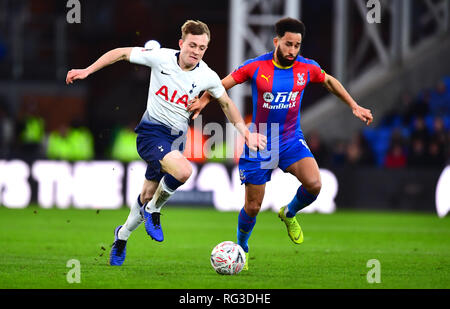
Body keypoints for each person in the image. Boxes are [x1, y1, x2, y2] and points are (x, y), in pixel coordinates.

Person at [66, 20, 267, 266]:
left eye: (202, 47)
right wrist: (87, 70)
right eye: (192, 45)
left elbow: (226, 103)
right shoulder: (160, 58)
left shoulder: (207, 76)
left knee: (146, 194)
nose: (196, 51)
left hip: (175, 139)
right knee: (184, 171)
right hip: (151, 133)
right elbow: (120, 53)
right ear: (181, 43)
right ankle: (154, 211)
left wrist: (245, 133)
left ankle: (122, 236)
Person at [188, 17, 373, 270]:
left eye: (297, 45)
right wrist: (204, 100)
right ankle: (242, 246)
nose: (292, 51)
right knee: (252, 207)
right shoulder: (255, 67)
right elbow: (222, 85)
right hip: (260, 141)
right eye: (288, 44)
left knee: (315, 184)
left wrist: (354, 105)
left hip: (289, 139)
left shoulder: (306, 68)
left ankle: (289, 213)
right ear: (276, 41)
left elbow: (329, 81)